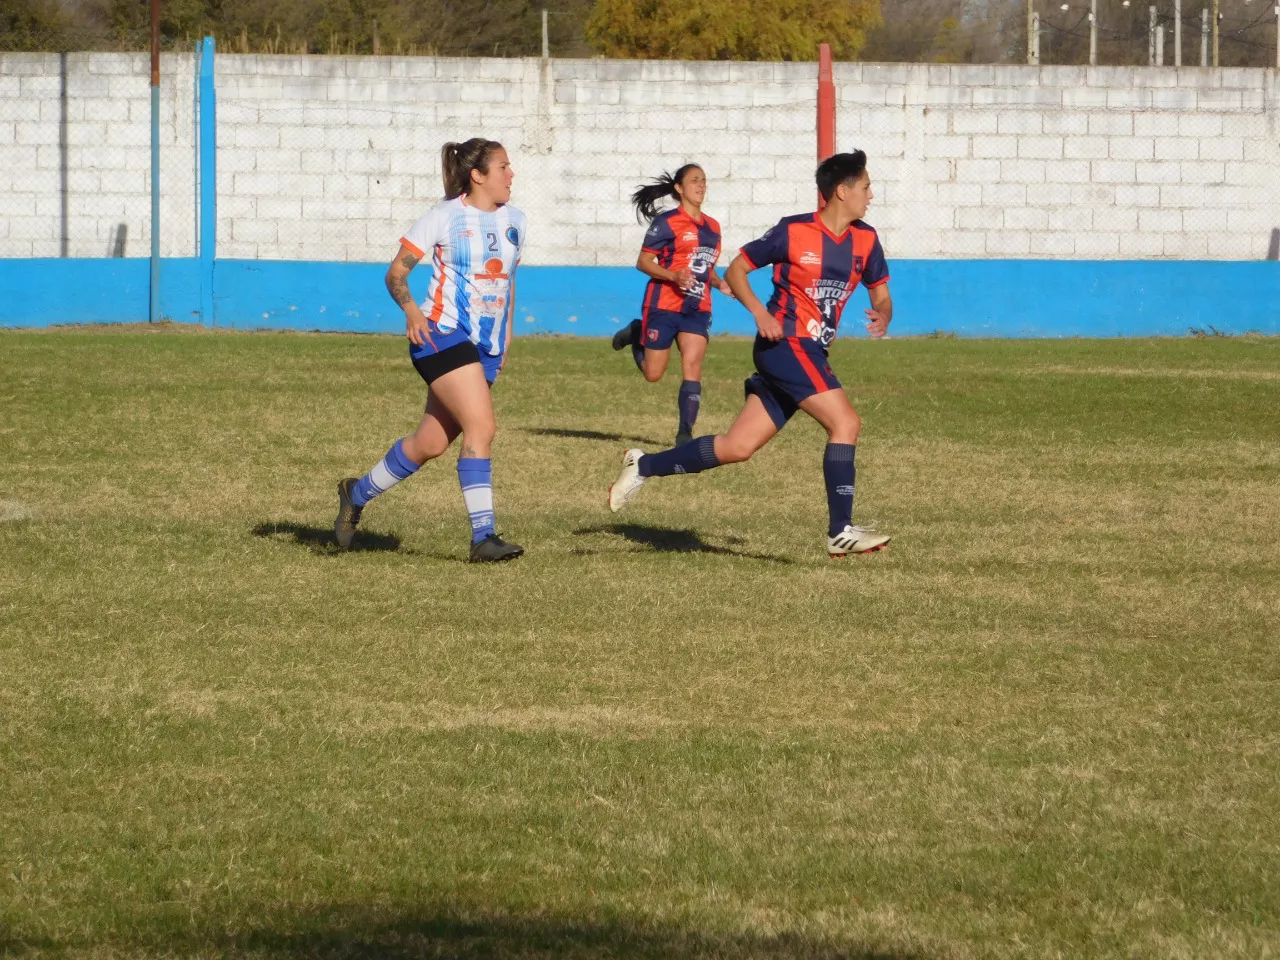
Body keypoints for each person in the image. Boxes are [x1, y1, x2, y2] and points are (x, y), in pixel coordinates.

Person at [608, 150, 893, 557]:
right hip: (785, 346)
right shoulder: (793, 231)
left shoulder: (866, 239)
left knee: (736, 447)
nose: (871, 195)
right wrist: (761, 314)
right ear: (841, 191)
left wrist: (883, 314)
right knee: (846, 421)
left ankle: (643, 466)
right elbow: (738, 270)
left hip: (813, 351)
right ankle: (839, 529)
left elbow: (882, 294)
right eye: (865, 187)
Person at [334, 138, 526, 562]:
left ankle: (356, 492)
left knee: (430, 442)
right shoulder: (444, 217)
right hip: (440, 334)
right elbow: (396, 273)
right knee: (482, 428)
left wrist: (506, 334)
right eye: (503, 167)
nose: (511, 174)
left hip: (485, 346)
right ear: (477, 175)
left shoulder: (516, 220)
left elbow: (508, 280)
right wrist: (411, 312)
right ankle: (483, 538)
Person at [610, 164, 734, 447]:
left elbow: (705, 268)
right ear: (679, 188)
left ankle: (684, 434)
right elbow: (643, 262)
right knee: (653, 375)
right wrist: (674, 276)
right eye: (694, 181)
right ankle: (637, 332)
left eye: (704, 180)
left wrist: (722, 284)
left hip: (697, 306)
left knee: (693, 364)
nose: (701, 185)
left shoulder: (713, 226)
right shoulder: (667, 222)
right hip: (663, 304)